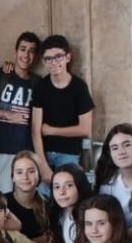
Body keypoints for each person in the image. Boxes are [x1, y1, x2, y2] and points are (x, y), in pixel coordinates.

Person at [0, 32, 42, 191]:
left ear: (36, 56)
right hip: (1, 149)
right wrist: (7, 114)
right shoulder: (2, 75)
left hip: (27, 151)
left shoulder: (38, 83)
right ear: (15, 52)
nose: (26, 55)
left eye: (31, 51)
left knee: (26, 196)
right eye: (23, 49)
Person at [30, 35, 95, 170]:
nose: (53, 62)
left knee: (67, 181)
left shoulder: (79, 87)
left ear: (68, 57)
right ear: (43, 61)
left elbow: (85, 129)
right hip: (44, 153)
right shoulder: (41, 87)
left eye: (58, 56)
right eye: (48, 58)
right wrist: (43, 167)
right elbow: (36, 130)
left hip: (69, 153)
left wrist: (51, 130)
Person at [94, 123, 132, 229]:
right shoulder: (107, 187)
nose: (121, 152)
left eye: (127, 145)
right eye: (115, 148)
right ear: (110, 153)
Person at [5, 152, 52, 243]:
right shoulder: (2, 202)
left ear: (39, 175)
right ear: (13, 177)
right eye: (19, 172)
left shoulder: (48, 205)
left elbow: (50, 240)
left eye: (31, 171)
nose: (25, 177)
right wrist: (37, 240)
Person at [48, 164, 94, 243]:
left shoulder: (90, 216)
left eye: (69, 185)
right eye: (57, 187)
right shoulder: (60, 214)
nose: (61, 192)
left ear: (80, 186)